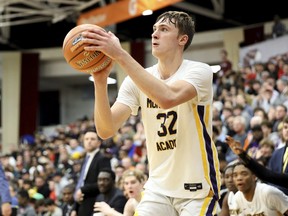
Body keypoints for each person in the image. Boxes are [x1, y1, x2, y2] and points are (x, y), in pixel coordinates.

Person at [83, 10, 221, 215]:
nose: (154, 34)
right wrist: (100, 82)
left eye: (164, 29)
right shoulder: (136, 80)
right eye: (154, 29)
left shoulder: (199, 71)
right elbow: (105, 129)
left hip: (196, 187)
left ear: (182, 39)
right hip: (158, 188)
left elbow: (167, 98)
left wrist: (120, 54)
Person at [72, 129, 111, 216]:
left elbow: (104, 183)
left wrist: (82, 190)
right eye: (86, 139)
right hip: (82, 204)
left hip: (95, 203)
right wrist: (75, 208)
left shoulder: (103, 159)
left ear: (99, 143)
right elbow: (81, 183)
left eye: (92, 139)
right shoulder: (84, 159)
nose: (89, 141)